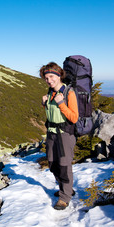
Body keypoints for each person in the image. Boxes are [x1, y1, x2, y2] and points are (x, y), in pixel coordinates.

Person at [40, 62, 79, 210]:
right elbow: (52, 114)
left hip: (64, 135)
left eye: (51, 76)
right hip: (51, 133)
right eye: (46, 78)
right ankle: (66, 188)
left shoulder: (69, 93)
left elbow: (74, 117)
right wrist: (44, 104)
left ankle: (65, 197)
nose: (49, 80)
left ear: (59, 75)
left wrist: (61, 103)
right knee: (52, 163)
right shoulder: (50, 93)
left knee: (64, 165)